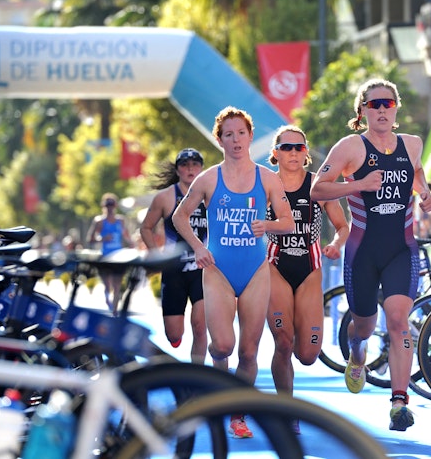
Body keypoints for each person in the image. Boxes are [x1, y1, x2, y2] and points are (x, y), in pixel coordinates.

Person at [310, 78, 431, 432]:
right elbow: (318, 189)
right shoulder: (351, 147)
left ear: (396, 108)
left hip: (401, 248)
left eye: (387, 104)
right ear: (362, 110)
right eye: (373, 104)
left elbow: (417, 171)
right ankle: (356, 349)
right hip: (362, 251)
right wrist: (359, 185)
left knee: (398, 321)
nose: (381, 110)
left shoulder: (412, 143)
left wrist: (424, 191)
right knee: (363, 325)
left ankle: (399, 403)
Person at [172, 106, 294, 439]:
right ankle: (215, 377)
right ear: (220, 140)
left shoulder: (267, 178)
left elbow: (287, 222)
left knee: (249, 351)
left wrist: (267, 225)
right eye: (229, 134)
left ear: (250, 137)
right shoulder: (208, 179)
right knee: (223, 346)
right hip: (218, 270)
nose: (236, 140)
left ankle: (236, 415)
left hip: (255, 271)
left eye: (241, 133)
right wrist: (198, 247)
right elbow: (179, 217)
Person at [264, 125, 349, 435]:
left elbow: (342, 226)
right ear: (275, 153)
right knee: (283, 342)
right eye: (286, 147)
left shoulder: (317, 186)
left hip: (310, 270)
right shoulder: (265, 184)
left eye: (299, 147)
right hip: (274, 267)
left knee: (308, 355)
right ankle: (287, 410)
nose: (293, 153)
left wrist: (336, 245)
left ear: (306, 153)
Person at [140, 148, 208, 364]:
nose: (190, 169)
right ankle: (175, 339)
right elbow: (146, 227)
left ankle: (197, 373)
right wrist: (156, 255)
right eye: (185, 165)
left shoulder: (211, 195)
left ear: (201, 168)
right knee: (174, 335)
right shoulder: (165, 197)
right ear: (178, 170)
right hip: (173, 271)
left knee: (200, 325)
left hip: (201, 270)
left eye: (195, 164)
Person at [87, 193, 134, 314]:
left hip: (118, 257)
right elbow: (90, 239)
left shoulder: (120, 220)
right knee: (107, 285)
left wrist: (131, 243)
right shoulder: (99, 221)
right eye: (107, 205)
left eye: (112, 204)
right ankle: (108, 301)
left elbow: (126, 235)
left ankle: (114, 311)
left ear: (115, 205)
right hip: (105, 257)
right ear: (103, 206)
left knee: (117, 285)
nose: (110, 207)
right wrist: (102, 239)